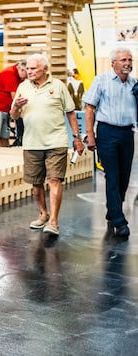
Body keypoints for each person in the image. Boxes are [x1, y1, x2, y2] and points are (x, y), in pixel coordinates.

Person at [10, 53, 85, 236]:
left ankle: (53, 221)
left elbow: (71, 113)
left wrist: (76, 137)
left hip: (56, 141)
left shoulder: (58, 86)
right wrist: (17, 107)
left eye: (33, 68)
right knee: (36, 183)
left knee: (54, 180)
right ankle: (43, 214)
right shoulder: (22, 87)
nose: (29, 72)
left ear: (45, 69)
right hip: (32, 142)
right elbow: (13, 116)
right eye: (27, 68)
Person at [83, 47, 137, 238]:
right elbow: (89, 108)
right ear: (113, 62)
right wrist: (89, 134)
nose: (128, 63)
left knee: (124, 176)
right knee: (112, 175)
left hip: (127, 133)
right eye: (123, 60)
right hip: (107, 132)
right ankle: (119, 220)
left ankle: (113, 209)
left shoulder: (134, 84)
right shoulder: (102, 81)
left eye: (130, 60)